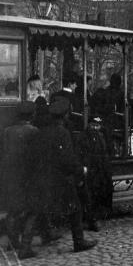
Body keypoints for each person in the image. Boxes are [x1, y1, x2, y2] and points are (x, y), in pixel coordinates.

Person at [20, 99, 97, 258]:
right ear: (65, 115)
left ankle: (25, 246)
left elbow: (31, 157)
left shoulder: (40, 132)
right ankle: (79, 241)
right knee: (75, 208)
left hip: (40, 178)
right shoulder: (63, 133)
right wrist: (80, 170)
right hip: (59, 180)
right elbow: (66, 159)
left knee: (35, 211)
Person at [0, 101, 39, 251]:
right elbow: (36, 158)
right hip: (27, 179)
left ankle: (13, 242)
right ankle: (26, 246)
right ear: (32, 115)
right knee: (32, 210)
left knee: (12, 211)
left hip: (9, 178)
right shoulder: (34, 131)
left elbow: (0, 156)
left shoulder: (7, 131)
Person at [74, 117, 113, 232]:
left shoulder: (101, 136)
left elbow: (106, 152)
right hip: (89, 170)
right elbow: (78, 154)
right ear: (89, 125)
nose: (95, 128)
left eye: (97, 125)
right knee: (89, 195)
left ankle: (97, 216)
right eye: (93, 125)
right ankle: (92, 220)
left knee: (99, 194)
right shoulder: (82, 137)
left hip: (100, 170)